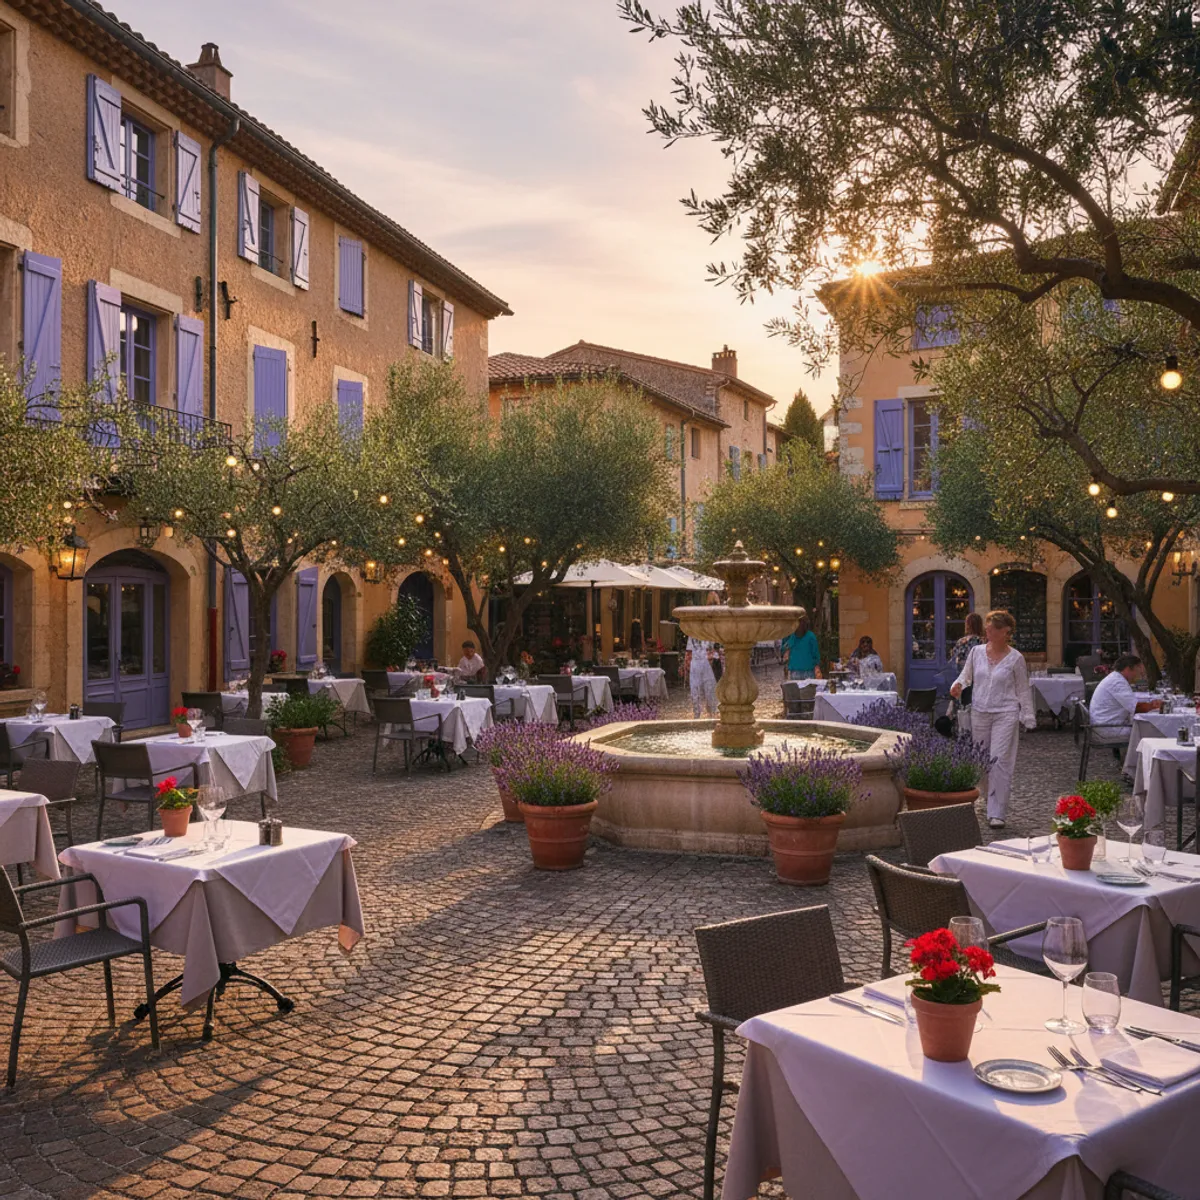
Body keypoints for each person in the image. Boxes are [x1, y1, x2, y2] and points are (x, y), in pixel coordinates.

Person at [949, 610, 1036, 830]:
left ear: (1005, 632)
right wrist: (958, 685)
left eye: (992, 628)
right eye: (987, 627)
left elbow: (1023, 689)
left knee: (999, 760)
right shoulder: (976, 653)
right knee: (981, 761)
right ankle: (989, 798)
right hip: (979, 711)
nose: (987, 630)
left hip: (1006, 712)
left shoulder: (1016, 658)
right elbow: (966, 675)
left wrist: (1028, 716)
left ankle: (997, 811)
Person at [1089, 653, 1162, 741]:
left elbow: (1131, 704)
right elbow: (1136, 708)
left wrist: (1151, 705)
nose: (1138, 675)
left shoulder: (1115, 678)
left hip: (1105, 724)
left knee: (1151, 726)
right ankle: (1155, 754)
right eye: (1138, 670)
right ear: (1128, 669)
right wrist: (1156, 705)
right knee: (1157, 730)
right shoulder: (1117, 682)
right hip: (1109, 729)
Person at [684, 593, 722, 718]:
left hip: (708, 663)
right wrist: (687, 663)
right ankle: (700, 715)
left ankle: (709, 714)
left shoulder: (713, 628)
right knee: (699, 690)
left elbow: (716, 648)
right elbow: (689, 651)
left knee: (709, 689)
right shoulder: (697, 632)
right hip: (699, 662)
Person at [782, 610, 822, 680]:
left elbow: (816, 655)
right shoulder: (790, 636)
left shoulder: (810, 637)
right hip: (795, 672)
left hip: (808, 672)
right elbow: (784, 650)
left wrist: (817, 669)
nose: (799, 625)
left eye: (801, 623)